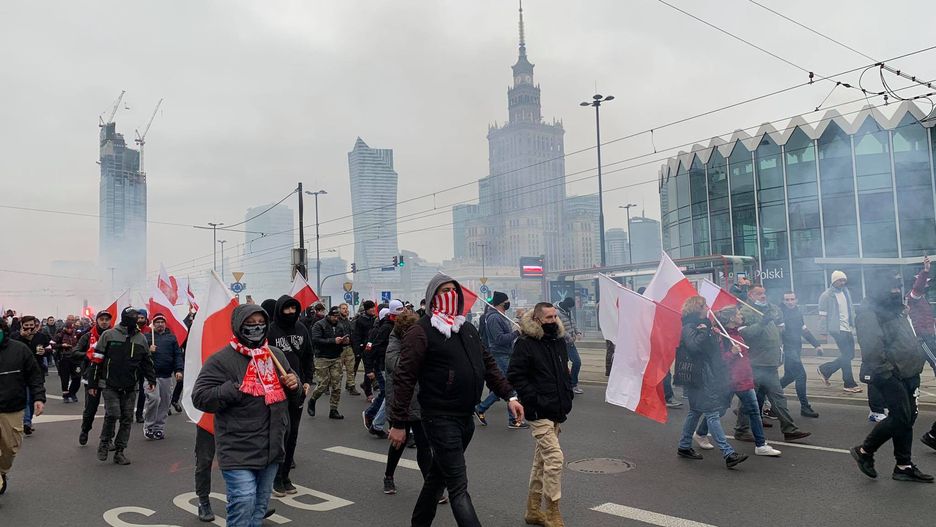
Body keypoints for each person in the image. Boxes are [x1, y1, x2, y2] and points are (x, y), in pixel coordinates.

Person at [388, 273, 524, 526]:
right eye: (443, 291)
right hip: (439, 418)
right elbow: (404, 378)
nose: (449, 294)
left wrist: (509, 395)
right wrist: (398, 422)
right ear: (431, 298)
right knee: (458, 487)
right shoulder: (422, 331)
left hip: (465, 417)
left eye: (453, 290)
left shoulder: (466, 328)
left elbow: (488, 364)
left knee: (437, 479)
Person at [192, 304, 300, 526]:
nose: (256, 328)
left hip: (271, 446)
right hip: (237, 448)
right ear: (238, 327)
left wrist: (294, 385)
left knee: (259, 506)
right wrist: (232, 389)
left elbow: (295, 395)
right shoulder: (221, 360)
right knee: (243, 501)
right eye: (249, 325)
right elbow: (200, 397)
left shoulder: (275, 355)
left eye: (260, 324)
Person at [850, 271, 933, 483]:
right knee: (902, 417)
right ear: (879, 289)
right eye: (892, 288)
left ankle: (903, 466)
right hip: (890, 374)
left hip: (909, 371)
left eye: (898, 287)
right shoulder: (868, 312)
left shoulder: (896, 308)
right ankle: (864, 451)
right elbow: (871, 346)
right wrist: (886, 372)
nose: (897, 291)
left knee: (908, 418)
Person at [507, 303, 574, 526]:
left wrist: (567, 393)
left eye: (555, 316)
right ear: (537, 319)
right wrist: (533, 399)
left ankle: (533, 510)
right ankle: (553, 511)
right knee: (555, 459)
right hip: (538, 411)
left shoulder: (558, 341)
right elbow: (515, 375)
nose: (554, 320)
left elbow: (563, 370)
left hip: (556, 409)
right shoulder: (525, 343)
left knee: (541, 464)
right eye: (548, 317)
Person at [696, 306, 781, 457]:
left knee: (753, 411)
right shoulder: (721, 337)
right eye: (738, 314)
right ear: (731, 318)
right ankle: (700, 433)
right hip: (730, 379)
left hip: (743, 378)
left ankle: (761, 445)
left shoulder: (737, 333)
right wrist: (732, 353)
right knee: (720, 410)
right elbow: (719, 361)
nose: (741, 315)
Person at [674, 297, 748, 469]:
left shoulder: (704, 325)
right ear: (698, 308)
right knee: (712, 413)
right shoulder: (689, 326)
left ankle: (684, 446)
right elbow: (693, 347)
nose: (708, 307)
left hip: (706, 375)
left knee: (695, 411)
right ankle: (728, 453)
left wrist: (711, 332)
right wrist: (705, 331)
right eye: (705, 305)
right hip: (700, 377)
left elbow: (712, 351)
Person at [733, 287, 811, 443]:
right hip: (755, 364)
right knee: (749, 399)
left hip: (770, 363)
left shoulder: (772, 309)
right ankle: (741, 430)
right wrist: (762, 323)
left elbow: (780, 330)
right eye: (758, 293)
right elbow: (743, 334)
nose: (762, 296)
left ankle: (789, 430)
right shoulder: (745, 312)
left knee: (779, 398)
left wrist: (779, 351)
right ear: (750, 295)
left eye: (764, 293)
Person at [90, 308, 156, 465]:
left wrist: (151, 379)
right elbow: (97, 360)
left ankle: (120, 451)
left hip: (131, 386)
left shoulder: (141, 339)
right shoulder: (109, 335)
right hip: (109, 384)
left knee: (127, 419)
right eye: (132, 317)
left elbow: (146, 362)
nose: (135, 320)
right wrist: (93, 383)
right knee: (112, 414)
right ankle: (105, 442)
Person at [266, 295, 314, 496]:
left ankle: (285, 476)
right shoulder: (270, 331)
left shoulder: (302, 329)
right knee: (280, 434)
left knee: (292, 433)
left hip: (297, 390)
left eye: (294, 308)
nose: (290, 313)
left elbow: (308, 356)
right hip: (276, 391)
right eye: (286, 309)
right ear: (279, 310)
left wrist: (307, 381)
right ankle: (274, 478)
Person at [382, 310, 431, 495]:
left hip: (419, 399)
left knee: (423, 444)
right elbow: (394, 364)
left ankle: (430, 485)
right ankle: (388, 476)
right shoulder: (394, 341)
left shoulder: (422, 337)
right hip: (400, 399)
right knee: (398, 442)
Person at [0, 317, 46, 495]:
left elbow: (34, 375)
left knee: (10, 448)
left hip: (12, 406)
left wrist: (38, 398)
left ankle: (2, 471)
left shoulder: (19, 350)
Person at [474, 291, 522, 428]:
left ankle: (482, 408)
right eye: (506, 301)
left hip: (505, 353)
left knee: (504, 385)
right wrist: (517, 333)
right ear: (501, 303)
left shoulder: (501, 316)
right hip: (500, 354)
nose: (508, 303)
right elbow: (499, 339)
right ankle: (513, 419)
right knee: (509, 385)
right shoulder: (495, 318)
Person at [817, 271, 861, 394]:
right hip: (837, 329)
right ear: (833, 281)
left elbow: (850, 309)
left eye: (844, 280)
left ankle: (825, 369)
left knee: (850, 355)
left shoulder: (846, 292)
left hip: (847, 328)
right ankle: (849, 383)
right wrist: (823, 332)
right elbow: (822, 316)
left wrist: (854, 324)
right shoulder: (826, 295)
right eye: (840, 280)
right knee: (846, 356)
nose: (842, 283)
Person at [779, 291, 822, 418]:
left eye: (792, 299)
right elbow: (779, 332)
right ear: (783, 301)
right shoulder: (781, 314)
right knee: (801, 376)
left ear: (796, 300)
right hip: (788, 349)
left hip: (796, 349)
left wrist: (816, 344)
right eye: (787, 300)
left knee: (789, 377)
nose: (790, 302)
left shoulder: (797, 312)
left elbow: (804, 330)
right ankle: (805, 407)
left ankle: (765, 393)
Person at [74, 310, 113, 445]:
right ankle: (85, 430)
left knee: (111, 409)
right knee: (91, 408)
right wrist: (88, 355)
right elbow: (75, 352)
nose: (104, 322)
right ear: (97, 321)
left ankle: (108, 437)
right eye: (101, 319)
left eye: (107, 319)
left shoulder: (115, 336)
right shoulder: (88, 336)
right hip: (92, 377)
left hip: (110, 377)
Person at [142, 314, 183, 440]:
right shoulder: (146, 338)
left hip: (166, 376)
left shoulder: (171, 338)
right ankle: (148, 426)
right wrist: (149, 350)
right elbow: (139, 356)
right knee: (154, 400)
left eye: (162, 322)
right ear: (153, 324)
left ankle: (158, 428)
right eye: (157, 322)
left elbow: (177, 355)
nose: (160, 324)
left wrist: (178, 370)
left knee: (165, 403)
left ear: (165, 324)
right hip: (151, 376)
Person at [363, 303, 401, 436]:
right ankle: (374, 418)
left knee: (388, 394)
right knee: (389, 395)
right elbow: (370, 349)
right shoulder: (383, 329)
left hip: (391, 365)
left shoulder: (396, 327)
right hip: (382, 366)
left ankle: (377, 423)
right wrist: (369, 369)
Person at [308, 306, 350, 419]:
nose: (336, 319)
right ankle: (312, 400)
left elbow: (341, 340)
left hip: (336, 357)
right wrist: (333, 341)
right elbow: (315, 340)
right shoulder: (319, 325)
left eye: (338, 317)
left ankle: (333, 409)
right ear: (330, 315)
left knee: (337, 385)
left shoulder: (340, 325)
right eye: (335, 316)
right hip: (322, 357)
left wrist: (344, 342)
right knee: (323, 384)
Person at [13, 316, 51, 435]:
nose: (29, 328)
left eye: (31, 325)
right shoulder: (15, 336)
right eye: (26, 325)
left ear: (35, 325)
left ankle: (27, 420)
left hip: (37, 370)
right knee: (26, 396)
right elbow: (10, 348)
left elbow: (50, 348)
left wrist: (45, 351)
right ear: (21, 325)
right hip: (21, 371)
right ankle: (26, 422)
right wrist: (22, 337)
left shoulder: (41, 336)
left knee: (33, 396)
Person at [906, 256, 936, 376]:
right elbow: (918, 288)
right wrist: (925, 271)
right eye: (925, 282)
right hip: (922, 338)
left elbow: (929, 318)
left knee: (915, 367)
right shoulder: (913, 297)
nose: (927, 285)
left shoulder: (923, 298)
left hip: (929, 336)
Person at [555, 297, 583, 396]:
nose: (571, 309)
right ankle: (566, 385)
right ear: (566, 306)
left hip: (570, 343)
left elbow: (573, 323)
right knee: (563, 365)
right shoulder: (556, 313)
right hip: (561, 343)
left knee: (577, 362)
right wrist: (569, 337)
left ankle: (573, 384)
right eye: (570, 307)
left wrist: (578, 332)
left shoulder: (568, 312)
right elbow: (559, 328)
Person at [352, 301, 377, 400]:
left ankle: (365, 384)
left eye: (373, 307)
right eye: (370, 308)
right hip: (364, 348)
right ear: (366, 309)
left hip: (373, 347)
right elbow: (356, 335)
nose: (372, 309)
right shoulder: (360, 320)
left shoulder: (375, 319)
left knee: (374, 369)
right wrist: (357, 350)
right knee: (368, 370)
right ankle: (368, 393)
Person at [337, 303, 361, 396]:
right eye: (343, 308)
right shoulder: (336, 322)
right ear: (339, 310)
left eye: (346, 308)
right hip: (339, 349)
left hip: (349, 348)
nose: (345, 310)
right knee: (338, 370)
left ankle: (351, 386)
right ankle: (336, 387)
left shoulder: (349, 321)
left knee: (351, 369)